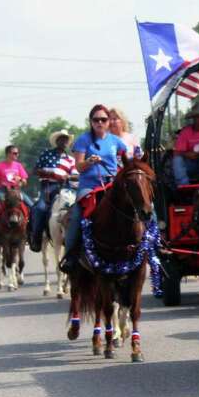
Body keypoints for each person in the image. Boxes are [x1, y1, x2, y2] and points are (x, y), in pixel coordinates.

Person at [61, 104, 129, 271]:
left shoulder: (115, 141)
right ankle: (70, 255)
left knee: (135, 205)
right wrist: (89, 161)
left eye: (103, 119)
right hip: (90, 186)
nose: (100, 122)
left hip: (112, 183)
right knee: (77, 216)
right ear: (91, 122)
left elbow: (125, 159)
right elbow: (78, 167)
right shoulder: (83, 140)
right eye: (96, 119)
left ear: (108, 122)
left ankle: (148, 245)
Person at [28, 129, 75, 252]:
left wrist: (68, 177)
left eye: (66, 139)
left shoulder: (71, 159)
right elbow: (35, 170)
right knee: (39, 209)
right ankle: (36, 238)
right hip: (48, 187)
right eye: (62, 139)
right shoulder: (46, 154)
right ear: (57, 141)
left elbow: (75, 175)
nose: (64, 141)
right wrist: (51, 173)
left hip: (66, 188)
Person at [0, 145, 33, 252]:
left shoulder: (18, 166)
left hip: (16, 191)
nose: (17, 155)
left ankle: (31, 233)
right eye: (14, 153)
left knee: (33, 207)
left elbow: (25, 181)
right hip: (2, 191)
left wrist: (20, 180)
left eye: (17, 153)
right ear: (8, 154)